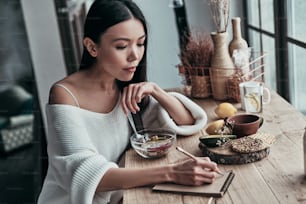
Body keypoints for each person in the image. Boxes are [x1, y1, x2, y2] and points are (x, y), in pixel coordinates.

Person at [37, 0, 220, 203]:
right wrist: (173, 172)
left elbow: (185, 121)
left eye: (140, 43)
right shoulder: (64, 95)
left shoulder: (125, 87)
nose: (135, 55)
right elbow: (88, 175)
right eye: (122, 46)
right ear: (91, 47)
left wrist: (156, 90)